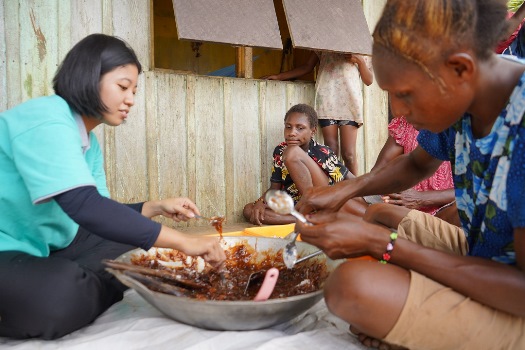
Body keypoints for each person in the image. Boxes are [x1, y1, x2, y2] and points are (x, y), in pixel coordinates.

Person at [294, 0, 525, 349]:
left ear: (460, 69)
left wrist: (383, 246)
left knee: (351, 287)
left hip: (516, 296)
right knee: (377, 212)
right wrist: (345, 190)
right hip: (486, 255)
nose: (399, 112)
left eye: (405, 95)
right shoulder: (474, 91)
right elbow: (417, 164)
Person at [0, 33, 226, 340]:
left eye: (134, 90)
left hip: (44, 248)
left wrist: (155, 207)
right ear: (88, 78)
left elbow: (101, 215)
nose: (131, 99)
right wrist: (184, 242)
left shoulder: (87, 142)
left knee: (129, 244)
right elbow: (85, 206)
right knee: (59, 295)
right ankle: (85, 288)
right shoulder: (46, 119)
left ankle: (90, 284)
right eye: (123, 86)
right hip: (8, 248)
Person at [243, 103, 367, 225]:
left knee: (292, 153)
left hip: (322, 199)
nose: (292, 132)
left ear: (312, 131)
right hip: (297, 204)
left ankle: (315, 211)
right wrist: (261, 202)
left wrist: (374, 194)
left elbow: (350, 179)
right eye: (288, 127)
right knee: (249, 210)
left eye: (300, 128)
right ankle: (307, 218)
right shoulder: (280, 151)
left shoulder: (322, 152)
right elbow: (274, 188)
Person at [263, 50, 373, 176]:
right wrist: (279, 76)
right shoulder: (324, 43)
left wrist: (359, 60)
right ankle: (332, 190)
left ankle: (355, 192)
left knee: (349, 154)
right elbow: (307, 67)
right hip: (326, 100)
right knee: (331, 150)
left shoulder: (362, 46)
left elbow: (369, 80)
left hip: (350, 102)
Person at [372, 115, 458, 225]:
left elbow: (473, 191)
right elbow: (379, 171)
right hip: (405, 210)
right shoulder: (405, 124)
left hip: (447, 212)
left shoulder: (462, 127)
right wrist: (394, 195)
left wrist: (420, 198)